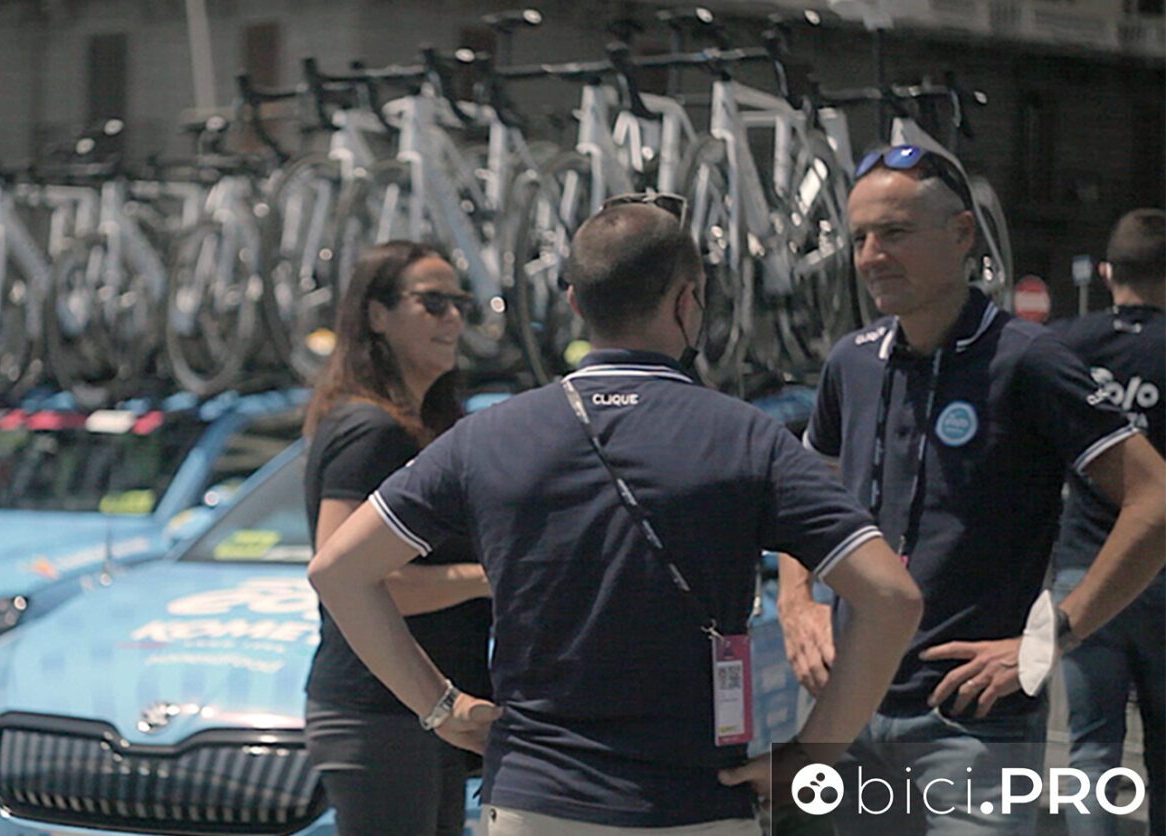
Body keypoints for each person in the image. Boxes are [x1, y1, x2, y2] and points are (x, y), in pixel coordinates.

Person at [309, 195, 924, 835]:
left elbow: (338, 570)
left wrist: (441, 707)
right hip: (696, 804)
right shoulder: (746, 437)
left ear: (576, 303)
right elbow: (892, 596)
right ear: (687, 301)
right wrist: (813, 753)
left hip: (535, 801)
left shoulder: (486, 437)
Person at [777, 148, 1166, 833]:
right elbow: (805, 496)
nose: (870, 256)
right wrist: (796, 602)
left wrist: (1047, 639)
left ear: (961, 234)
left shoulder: (1028, 359)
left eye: (894, 232)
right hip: (852, 713)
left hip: (975, 725)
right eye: (860, 237)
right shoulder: (852, 361)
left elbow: (1154, 499)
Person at [302, 240, 492, 836]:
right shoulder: (372, 431)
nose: (453, 318)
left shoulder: (414, 426)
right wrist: (485, 579)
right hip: (382, 716)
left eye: (461, 304)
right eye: (432, 303)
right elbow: (347, 575)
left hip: (419, 712)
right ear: (377, 315)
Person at [1048, 208, 1165, 836]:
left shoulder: (1065, 346)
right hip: (1162, 571)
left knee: (1090, 750)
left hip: (1084, 575)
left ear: (1106, 273)